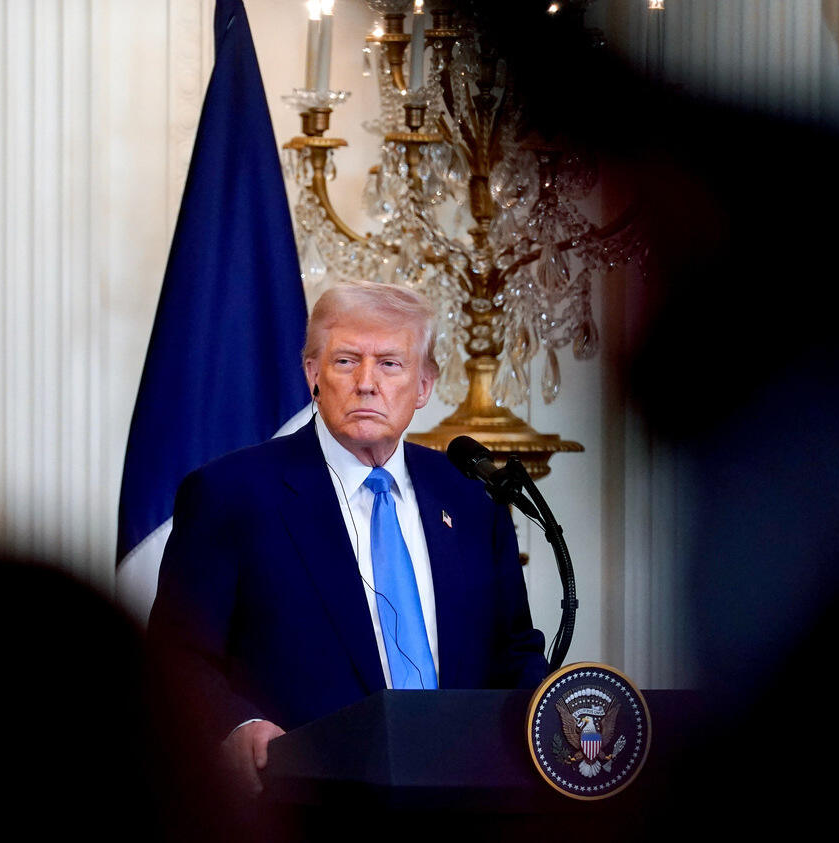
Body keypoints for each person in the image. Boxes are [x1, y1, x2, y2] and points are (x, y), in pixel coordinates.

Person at [147, 280, 547, 799]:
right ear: (313, 374)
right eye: (345, 362)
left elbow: (514, 650)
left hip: (461, 804)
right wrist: (236, 725)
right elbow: (177, 654)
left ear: (424, 385)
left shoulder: (471, 497)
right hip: (303, 803)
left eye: (389, 363)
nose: (366, 383)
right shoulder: (230, 495)